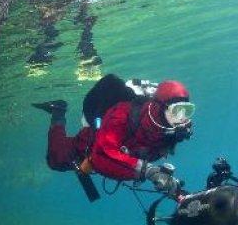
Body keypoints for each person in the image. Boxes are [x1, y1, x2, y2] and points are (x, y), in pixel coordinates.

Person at [32, 76, 195, 196]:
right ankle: (58, 112)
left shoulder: (171, 129)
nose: (182, 118)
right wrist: (147, 171)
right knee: (56, 160)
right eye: (177, 110)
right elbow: (101, 156)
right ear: (160, 108)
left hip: (125, 156)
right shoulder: (121, 114)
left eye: (187, 110)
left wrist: (176, 191)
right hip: (94, 142)